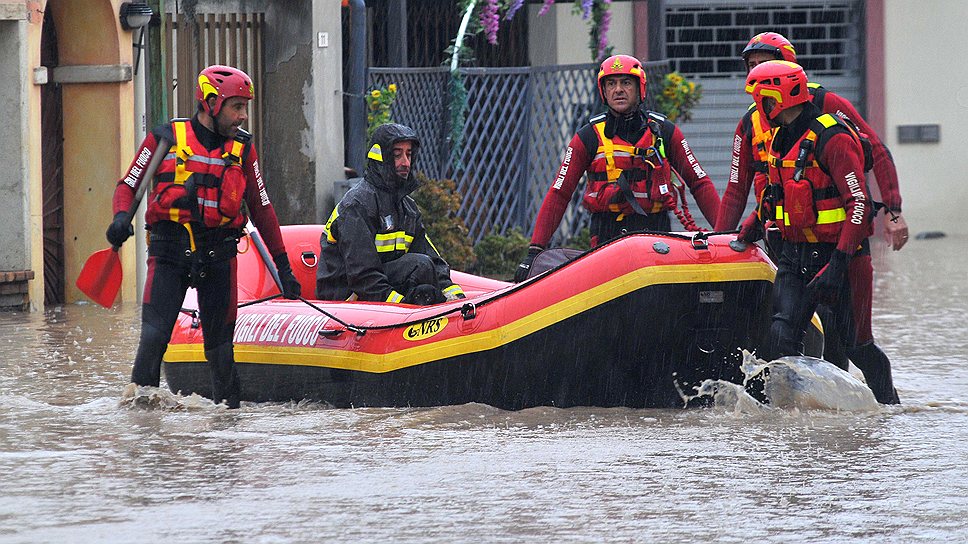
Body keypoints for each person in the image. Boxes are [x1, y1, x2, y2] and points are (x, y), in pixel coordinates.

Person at [106, 65, 302, 408]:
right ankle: (141, 423)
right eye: (236, 106)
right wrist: (121, 218)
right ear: (210, 102)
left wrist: (283, 266)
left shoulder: (243, 150)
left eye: (245, 107)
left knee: (221, 350)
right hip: (169, 251)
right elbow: (129, 185)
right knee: (153, 338)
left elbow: (263, 209)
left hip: (219, 255)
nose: (242, 116)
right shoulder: (165, 138)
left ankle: (227, 425)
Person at [739, 60, 899, 404]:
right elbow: (776, 195)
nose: (758, 106)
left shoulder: (833, 137)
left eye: (762, 98)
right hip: (795, 256)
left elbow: (859, 204)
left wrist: (839, 263)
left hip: (841, 258)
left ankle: (889, 409)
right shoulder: (780, 138)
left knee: (857, 345)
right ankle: (793, 418)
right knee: (780, 339)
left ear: (780, 96)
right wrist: (752, 225)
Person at [515, 54, 720, 282]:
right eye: (611, 84)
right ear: (603, 91)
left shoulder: (664, 132)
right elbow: (559, 193)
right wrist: (535, 250)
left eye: (626, 82)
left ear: (639, 88)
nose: (618, 90)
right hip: (606, 237)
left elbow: (699, 182)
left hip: (656, 235)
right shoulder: (588, 137)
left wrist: (724, 233)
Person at [716, 31, 909, 251]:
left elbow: (877, 150)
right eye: (752, 65)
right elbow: (735, 191)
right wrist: (717, 242)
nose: (757, 70)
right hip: (784, 241)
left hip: (840, 241)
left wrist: (893, 212)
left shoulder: (824, 102)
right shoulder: (749, 123)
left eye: (764, 63)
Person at [316, 123, 465, 305]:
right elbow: (363, 274)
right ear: (381, 159)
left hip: (379, 289)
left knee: (422, 265)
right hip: (345, 296)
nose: (406, 162)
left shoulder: (408, 209)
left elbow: (430, 258)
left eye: (409, 154)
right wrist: (402, 305)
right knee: (420, 265)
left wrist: (455, 299)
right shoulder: (357, 206)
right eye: (397, 155)